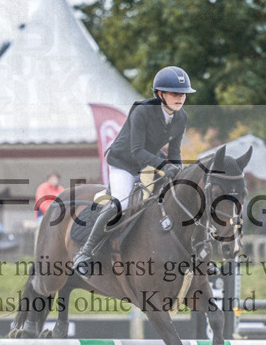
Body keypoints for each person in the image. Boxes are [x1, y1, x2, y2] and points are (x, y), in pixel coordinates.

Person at [72, 66, 193, 273]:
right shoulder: (142, 111)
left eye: (183, 94)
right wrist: (165, 166)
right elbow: (137, 151)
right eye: (175, 93)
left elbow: (174, 152)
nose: (180, 98)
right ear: (160, 94)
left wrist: (178, 171)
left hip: (149, 161)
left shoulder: (181, 117)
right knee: (122, 203)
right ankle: (85, 251)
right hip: (123, 162)